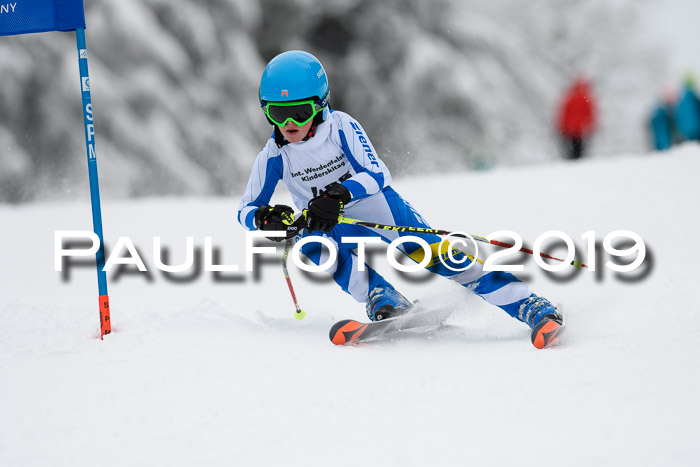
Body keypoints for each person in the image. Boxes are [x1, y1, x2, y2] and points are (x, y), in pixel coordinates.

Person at [237, 50, 563, 348]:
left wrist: (339, 193)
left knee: (432, 255)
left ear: (320, 104)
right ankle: (381, 295)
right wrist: (265, 219)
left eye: (298, 111)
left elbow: (377, 174)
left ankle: (527, 303)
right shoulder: (274, 156)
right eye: (278, 114)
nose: (288, 123)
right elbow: (246, 209)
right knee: (310, 245)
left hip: (375, 207)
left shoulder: (340, 128)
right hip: (328, 221)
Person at [557, 77, 596, 160]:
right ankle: (577, 162)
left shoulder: (569, 98)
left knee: (570, 149)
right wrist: (590, 126)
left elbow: (564, 113)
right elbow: (589, 114)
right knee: (579, 149)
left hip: (569, 129)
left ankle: (572, 161)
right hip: (580, 130)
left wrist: (562, 127)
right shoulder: (585, 99)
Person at [675, 76, 700, 142]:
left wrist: (682, 130)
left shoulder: (681, 101)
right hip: (697, 130)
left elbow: (679, 117)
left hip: (686, 132)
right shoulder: (695, 98)